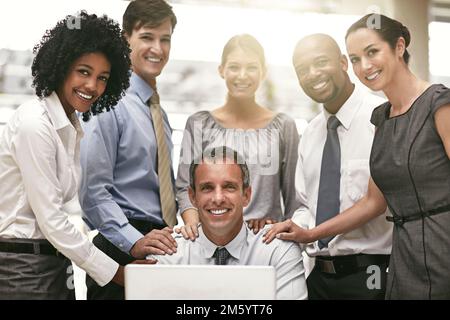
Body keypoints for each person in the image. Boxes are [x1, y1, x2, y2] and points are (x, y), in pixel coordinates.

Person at [266, 14, 450, 300]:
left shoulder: (430, 105)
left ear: (399, 47)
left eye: (372, 52)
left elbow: (377, 204)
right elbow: (365, 201)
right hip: (366, 269)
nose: (364, 66)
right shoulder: (381, 119)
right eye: (356, 58)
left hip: (408, 261)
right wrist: (305, 231)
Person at [0, 11, 144, 299]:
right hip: (22, 268)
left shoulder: (71, 126)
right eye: (83, 71)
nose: (92, 86)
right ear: (62, 66)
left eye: (102, 78)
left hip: (54, 263)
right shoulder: (35, 124)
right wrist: (117, 273)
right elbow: (52, 220)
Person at [263, 34, 391, 299]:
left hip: (372, 276)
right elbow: (305, 205)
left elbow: (377, 201)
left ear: (343, 62)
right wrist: (291, 226)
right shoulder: (310, 133)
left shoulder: (383, 117)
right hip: (319, 278)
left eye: (321, 62)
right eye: (302, 70)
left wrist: (309, 232)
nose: (312, 74)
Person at [79, 0, 178, 300]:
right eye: (147, 37)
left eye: (165, 39)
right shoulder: (109, 102)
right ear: (126, 39)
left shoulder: (159, 113)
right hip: (121, 244)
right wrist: (133, 241)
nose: (157, 49)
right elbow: (93, 192)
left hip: (157, 242)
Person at [175, 34, 300, 240]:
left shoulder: (283, 126)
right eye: (234, 67)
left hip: (265, 242)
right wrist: (195, 228)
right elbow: (184, 188)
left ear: (263, 72)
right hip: (212, 240)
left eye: (251, 67)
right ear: (221, 70)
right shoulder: (198, 124)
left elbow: (294, 199)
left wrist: (279, 232)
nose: (242, 75)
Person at [152, 146, 307, 300]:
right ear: (193, 197)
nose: (218, 198)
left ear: (246, 195)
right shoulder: (168, 252)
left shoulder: (279, 251)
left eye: (229, 187)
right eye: (207, 188)